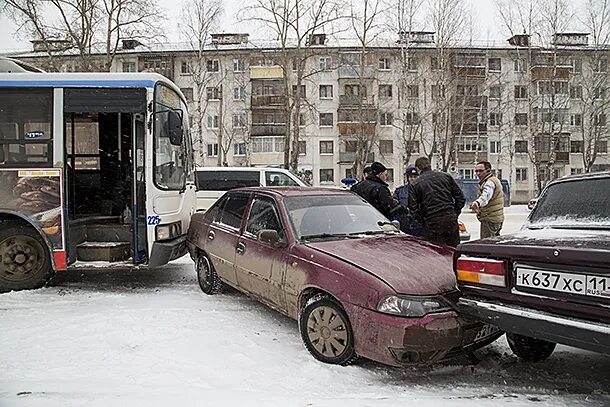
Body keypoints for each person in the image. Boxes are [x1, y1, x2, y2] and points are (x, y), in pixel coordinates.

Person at [408, 157, 465, 247]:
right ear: (430, 165)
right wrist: (454, 212)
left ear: (418, 169)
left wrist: (424, 221)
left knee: (437, 253)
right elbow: (461, 198)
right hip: (450, 218)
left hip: (432, 221)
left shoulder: (416, 185)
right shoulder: (446, 177)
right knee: (453, 250)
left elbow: (413, 209)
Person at [470, 160, 504, 239]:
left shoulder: (490, 182)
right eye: (476, 171)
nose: (478, 173)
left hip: (489, 219)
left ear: (488, 171)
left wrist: (477, 203)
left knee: (486, 245)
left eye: (481, 171)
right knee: (494, 244)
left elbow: (486, 196)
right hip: (496, 219)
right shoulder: (493, 180)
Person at [392, 165, 425, 236]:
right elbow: (395, 207)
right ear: (407, 178)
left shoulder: (424, 190)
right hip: (404, 224)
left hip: (419, 225)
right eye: (411, 177)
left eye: (415, 177)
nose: (413, 179)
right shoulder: (400, 191)